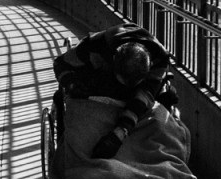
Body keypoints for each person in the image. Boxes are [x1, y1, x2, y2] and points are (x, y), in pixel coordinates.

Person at [52, 24, 178, 159]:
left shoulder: (160, 58)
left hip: (137, 90)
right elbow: (60, 64)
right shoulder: (94, 46)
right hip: (99, 84)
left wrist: (120, 132)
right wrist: (74, 86)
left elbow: (144, 95)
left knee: (166, 99)